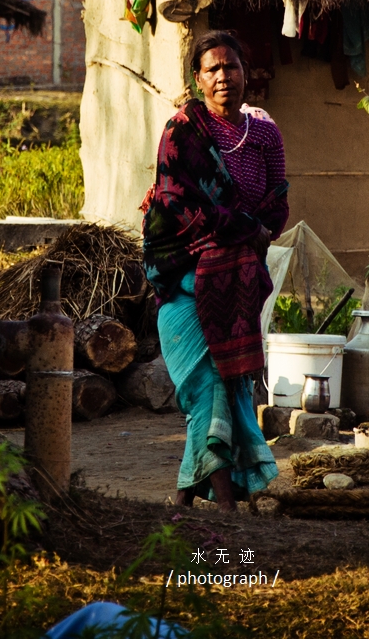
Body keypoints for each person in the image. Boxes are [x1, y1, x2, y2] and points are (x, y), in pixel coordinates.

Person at [142, 29, 287, 511]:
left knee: (226, 385)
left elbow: (276, 203)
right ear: (198, 79)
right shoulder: (182, 132)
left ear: (247, 73)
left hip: (240, 279)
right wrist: (242, 228)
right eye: (213, 69)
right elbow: (174, 202)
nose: (224, 76)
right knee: (207, 387)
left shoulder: (264, 134)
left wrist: (250, 232)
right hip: (184, 277)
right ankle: (226, 509)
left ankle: (186, 499)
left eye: (232, 66)